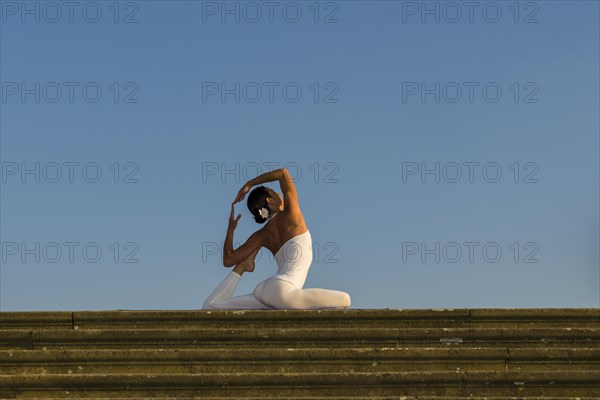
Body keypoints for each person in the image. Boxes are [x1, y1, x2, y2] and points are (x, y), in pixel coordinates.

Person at [202, 167, 351, 310]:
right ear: (270, 200)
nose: (280, 194)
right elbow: (283, 173)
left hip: (265, 290)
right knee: (345, 299)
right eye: (275, 192)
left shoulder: (261, 235)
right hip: (283, 291)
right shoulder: (291, 213)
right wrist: (249, 184)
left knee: (211, 306)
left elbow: (228, 260)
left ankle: (243, 266)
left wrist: (230, 229)